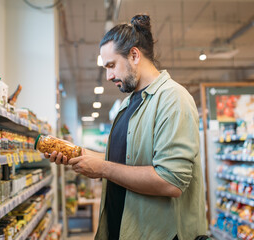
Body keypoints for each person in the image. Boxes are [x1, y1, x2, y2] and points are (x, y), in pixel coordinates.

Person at [46, 14, 207, 240]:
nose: (109, 76)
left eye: (111, 65)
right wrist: (80, 155)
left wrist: (102, 169)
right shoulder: (129, 103)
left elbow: (171, 181)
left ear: (134, 54)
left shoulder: (173, 98)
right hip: (122, 229)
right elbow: (126, 160)